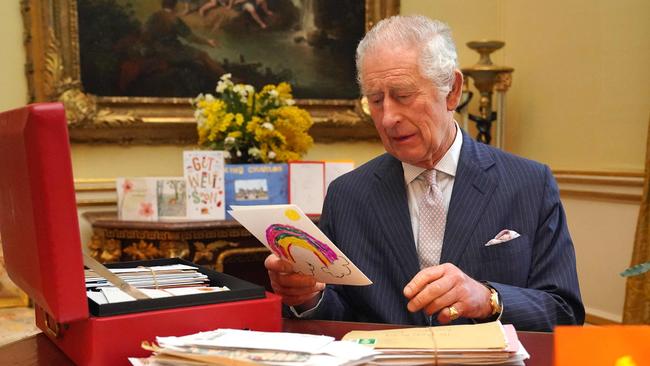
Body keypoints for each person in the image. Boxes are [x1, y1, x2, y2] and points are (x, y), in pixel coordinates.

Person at [264, 15, 585, 332]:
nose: (388, 118)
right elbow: (339, 314)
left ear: (452, 91)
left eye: (403, 95)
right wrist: (308, 297)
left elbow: (564, 313)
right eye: (375, 101)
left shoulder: (528, 183)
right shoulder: (348, 194)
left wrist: (489, 299)